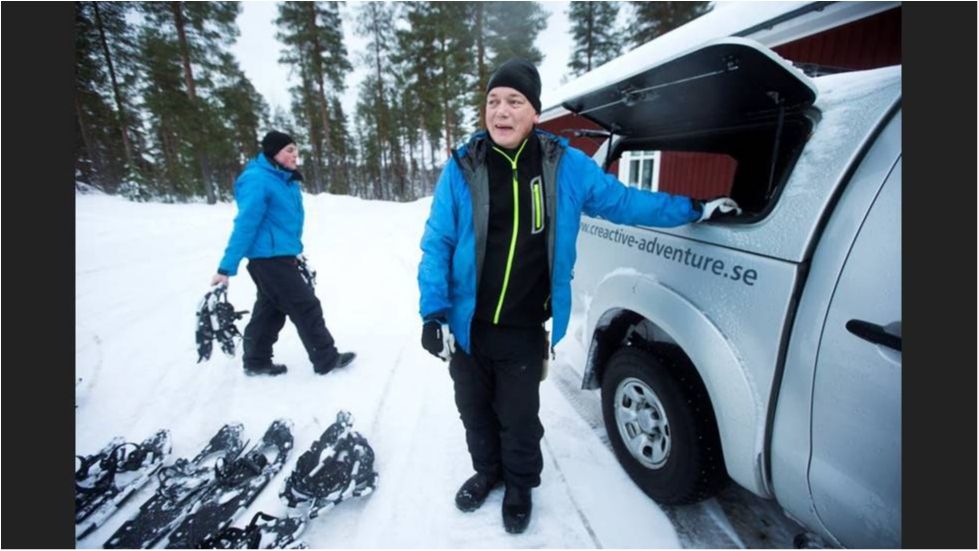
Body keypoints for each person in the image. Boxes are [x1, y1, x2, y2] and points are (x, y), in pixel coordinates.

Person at [416, 59, 739, 534]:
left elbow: (624, 202)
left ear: (535, 112)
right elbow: (438, 241)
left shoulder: (563, 166)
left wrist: (693, 208)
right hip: (468, 326)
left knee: (519, 417)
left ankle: (520, 485)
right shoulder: (464, 166)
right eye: (493, 101)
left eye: (514, 101)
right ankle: (487, 473)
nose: (501, 111)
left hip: (523, 329)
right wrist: (433, 312)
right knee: (474, 409)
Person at [212, 131, 355, 377]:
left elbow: (282, 224)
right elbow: (245, 224)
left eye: (296, 150)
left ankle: (256, 360)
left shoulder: (284, 180)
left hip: (280, 256)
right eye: (289, 150)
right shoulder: (258, 180)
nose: (295, 155)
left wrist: (294, 252)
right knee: (306, 305)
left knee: (270, 310)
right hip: (269, 259)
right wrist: (226, 267)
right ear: (273, 152)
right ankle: (326, 359)